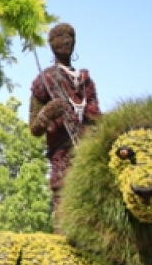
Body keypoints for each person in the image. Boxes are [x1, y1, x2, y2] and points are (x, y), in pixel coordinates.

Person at [29, 23, 101, 215]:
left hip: (86, 157)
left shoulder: (86, 81)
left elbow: (97, 120)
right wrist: (47, 113)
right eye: (59, 37)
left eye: (70, 36)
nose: (66, 41)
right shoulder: (45, 80)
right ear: (51, 44)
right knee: (66, 210)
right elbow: (34, 128)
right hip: (62, 159)